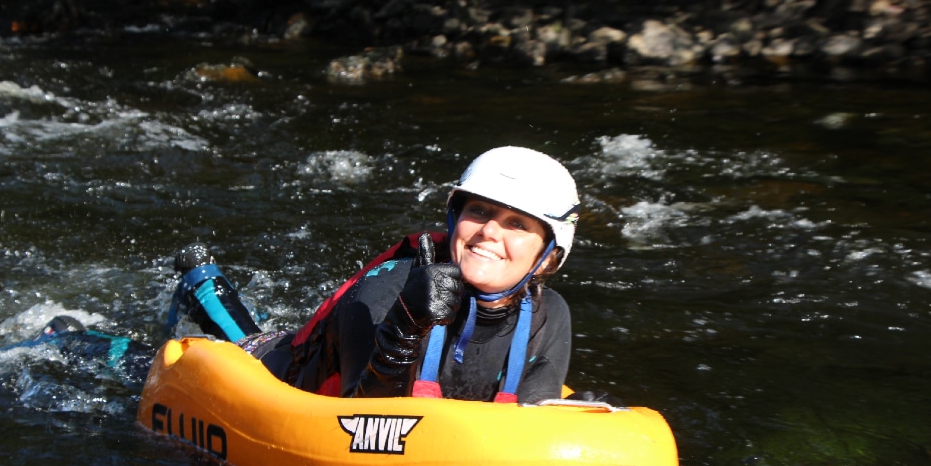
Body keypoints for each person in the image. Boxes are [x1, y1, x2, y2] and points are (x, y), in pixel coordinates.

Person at [171, 146, 616, 405]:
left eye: (517, 224)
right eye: (478, 212)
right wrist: (406, 324)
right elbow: (362, 418)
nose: (489, 233)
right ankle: (200, 288)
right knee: (238, 343)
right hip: (278, 372)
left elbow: (532, 422)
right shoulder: (388, 287)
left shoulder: (548, 315)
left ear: (549, 252)